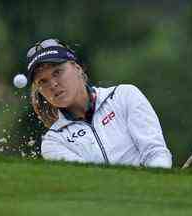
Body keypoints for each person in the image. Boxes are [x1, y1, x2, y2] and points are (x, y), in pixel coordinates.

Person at [26, 38, 172, 168]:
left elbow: (155, 153)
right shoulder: (54, 141)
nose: (53, 84)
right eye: (42, 81)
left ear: (77, 68)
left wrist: (157, 182)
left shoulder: (124, 96)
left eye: (57, 72)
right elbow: (92, 181)